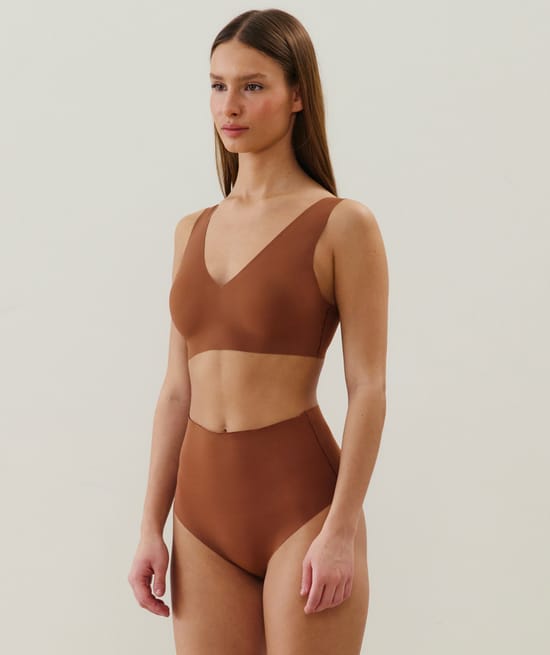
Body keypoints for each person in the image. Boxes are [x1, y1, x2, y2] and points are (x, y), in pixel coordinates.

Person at [128, 8, 388, 654]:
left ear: (298, 95)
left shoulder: (342, 224)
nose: (230, 105)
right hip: (201, 517)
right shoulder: (191, 230)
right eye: (218, 85)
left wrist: (340, 528)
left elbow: (369, 387)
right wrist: (150, 525)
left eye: (253, 85)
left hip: (302, 508)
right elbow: (176, 392)